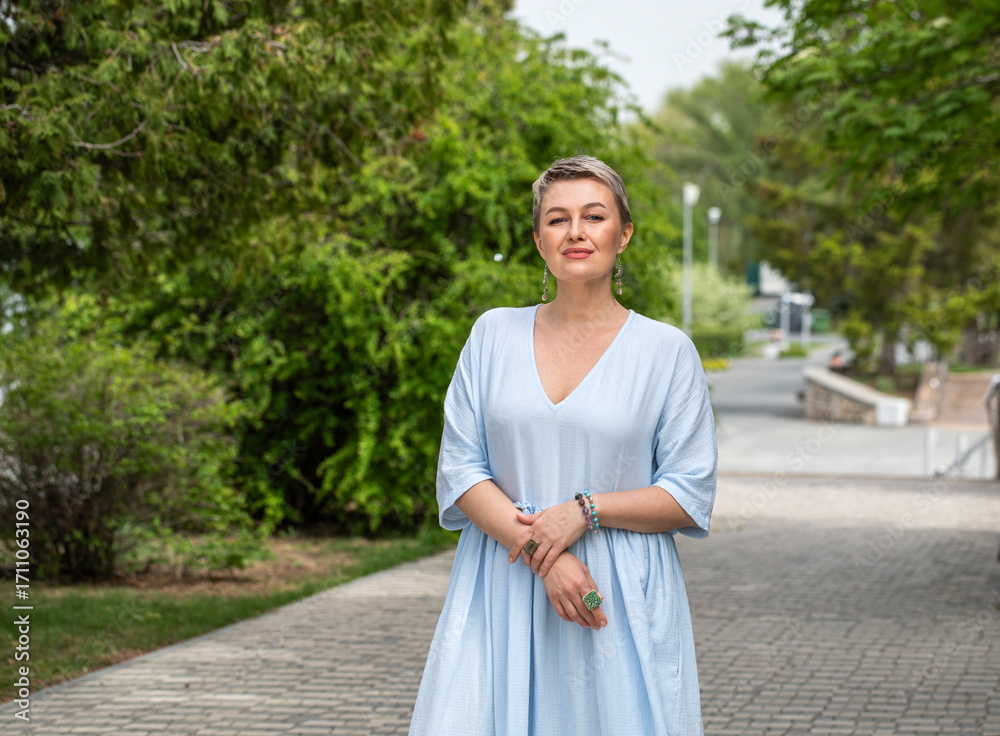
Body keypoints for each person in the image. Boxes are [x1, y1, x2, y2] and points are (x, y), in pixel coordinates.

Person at [409, 155, 717, 735]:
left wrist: (583, 511)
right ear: (538, 240)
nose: (576, 232)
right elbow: (460, 468)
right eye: (557, 219)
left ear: (624, 234)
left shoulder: (666, 351)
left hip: (614, 595)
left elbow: (687, 492)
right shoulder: (491, 334)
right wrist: (542, 553)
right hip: (501, 583)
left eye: (594, 216)